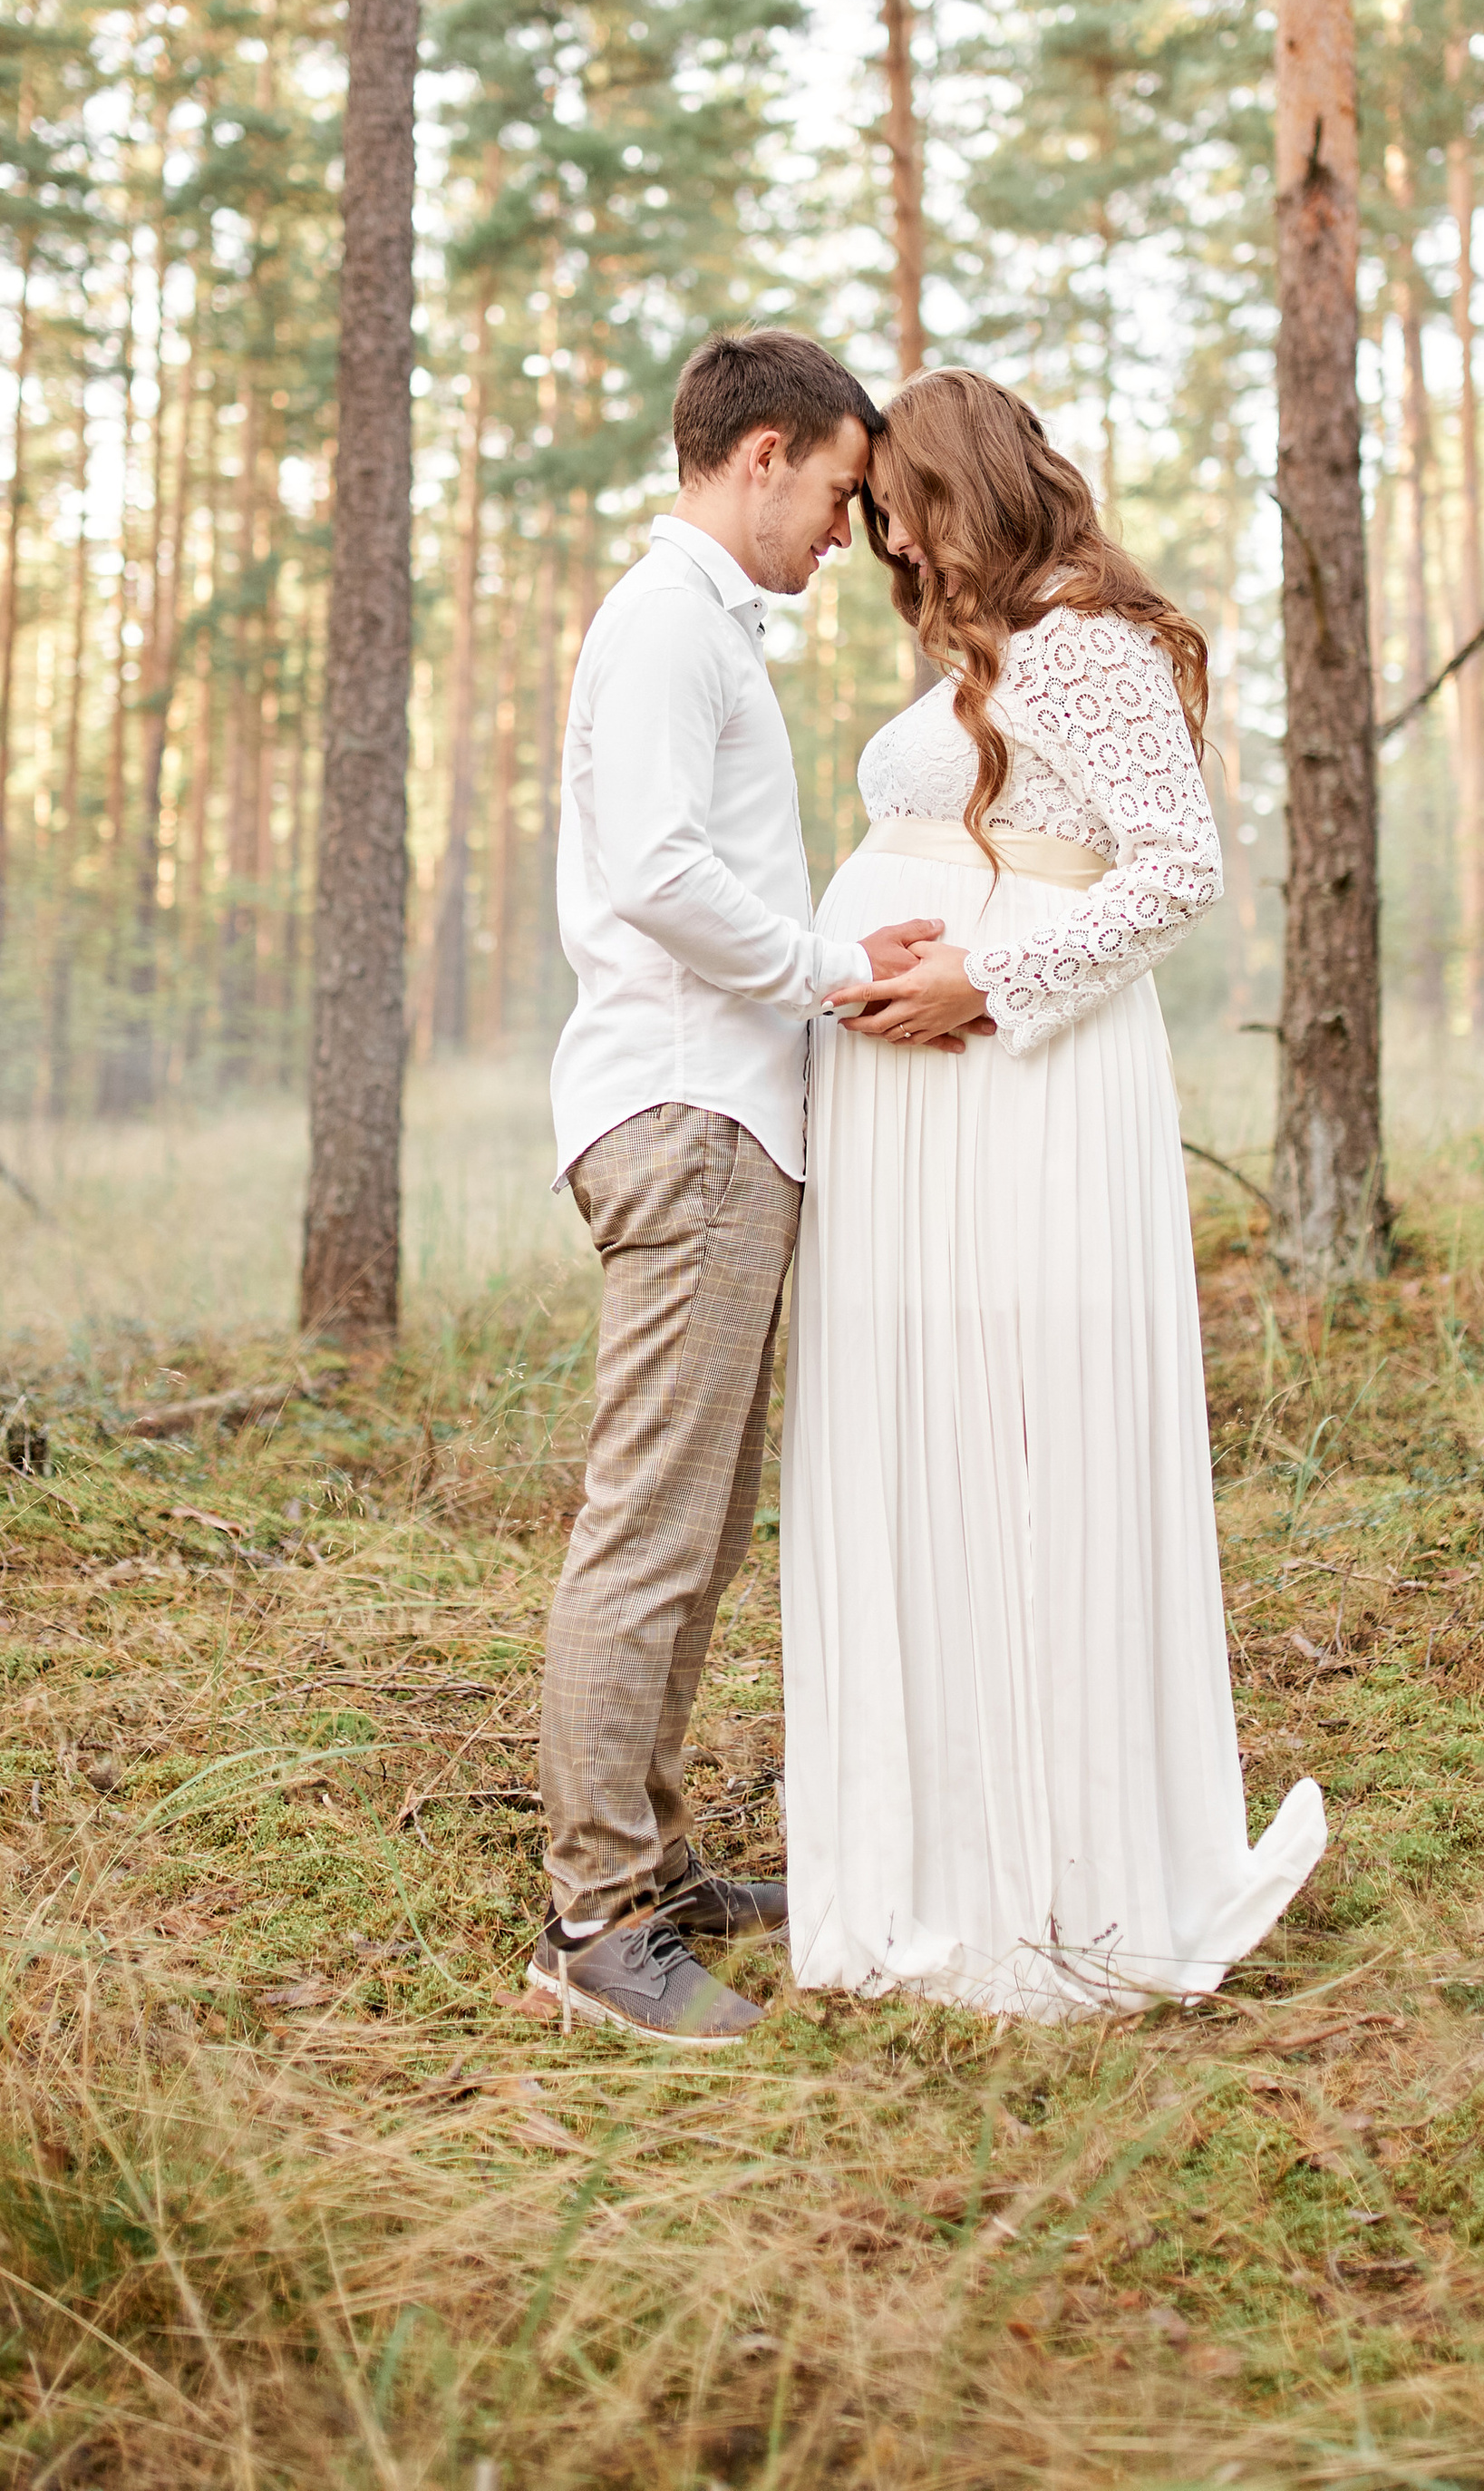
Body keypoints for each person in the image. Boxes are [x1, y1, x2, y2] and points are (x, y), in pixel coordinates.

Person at [781, 367, 1326, 2018]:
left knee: (1021, 1447)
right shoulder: (991, 657)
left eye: (906, 508)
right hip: (927, 1124)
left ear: (975, 490)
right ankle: (933, 1853)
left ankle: (1051, 1878)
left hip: (1021, 1100)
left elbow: (1177, 870)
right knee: (927, 1446)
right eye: (873, 514)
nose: (889, 540)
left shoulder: (1083, 643)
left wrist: (991, 985)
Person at [533, 329, 942, 2044]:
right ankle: (594, 1925)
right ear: (761, 455)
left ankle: (659, 1860)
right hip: (688, 1117)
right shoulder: (660, 626)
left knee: (693, 1538)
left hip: (729, 1124)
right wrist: (831, 966)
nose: (850, 533)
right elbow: (654, 871)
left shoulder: (707, 633)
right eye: (845, 492)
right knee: (647, 1533)